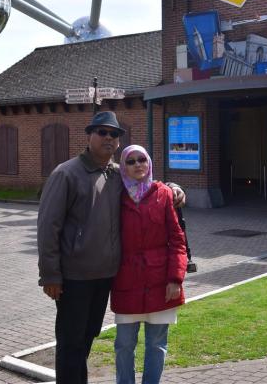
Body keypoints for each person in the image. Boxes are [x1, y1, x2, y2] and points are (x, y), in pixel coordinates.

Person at [37, 112, 185, 384]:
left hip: (105, 277)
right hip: (74, 277)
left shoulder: (118, 174)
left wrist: (175, 188)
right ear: (89, 135)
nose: (108, 138)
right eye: (102, 132)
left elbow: (148, 182)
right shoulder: (66, 173)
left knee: (86, 338)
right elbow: (48, 227)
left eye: (114, 134)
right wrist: (50, 275)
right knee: (71, 342)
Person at [111, 145, 186, 384]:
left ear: (149, 163)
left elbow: (177, 240)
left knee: (156, 344)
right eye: (131, 161)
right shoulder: (116, 195)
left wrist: (175, 279)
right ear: (123, 167)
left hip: (160, 282)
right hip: (127, 281)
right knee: (124, 344)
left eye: (142, 159)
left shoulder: (163, 194)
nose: (137, 165)